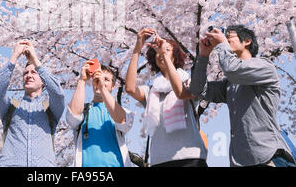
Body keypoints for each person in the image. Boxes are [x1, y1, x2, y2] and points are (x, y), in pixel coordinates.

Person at [190, 24, 295, 167]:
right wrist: (203, 56)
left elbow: (233, 69)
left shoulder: (265, 66)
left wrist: (221, 44)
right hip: (239, 160)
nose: (226, 40)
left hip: (267, 155)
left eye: (229, 37)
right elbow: (198, 90)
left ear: (247, 41)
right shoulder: (229, 84)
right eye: (225, 38)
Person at [125, 28, 208, 167]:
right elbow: (129, 88)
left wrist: (163, 51)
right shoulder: (151, 91)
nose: (161, 53)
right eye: (157, 52)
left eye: (167, 50)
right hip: (160, 160)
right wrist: (137, 49)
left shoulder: (189, 82)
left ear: (175, 56)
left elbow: (182, 92)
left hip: (190, 157)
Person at [0, 39, 65, 167]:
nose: (29, 75)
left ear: (43, 81)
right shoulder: (11, 107)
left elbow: (58, 94)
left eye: (34, 72)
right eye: (25, 73)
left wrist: (35, 61)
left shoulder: (50, 109)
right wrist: (14, 57)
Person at [66, 61, 134, 167]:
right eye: (97, 78)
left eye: (106, 79)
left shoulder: (121, 111)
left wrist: (102, 88)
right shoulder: (84, 110)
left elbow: (123, 122)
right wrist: (82, 80)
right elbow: (72, 116)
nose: (101, 81)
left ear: (113, 86)